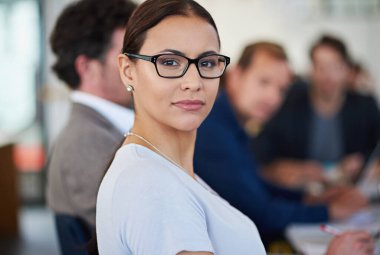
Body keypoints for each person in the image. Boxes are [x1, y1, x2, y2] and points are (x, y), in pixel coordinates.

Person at [95, 0, 268, 254]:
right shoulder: (152, 185)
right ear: (128, 71)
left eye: (207, 63)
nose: (194, 82)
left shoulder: (163, 169)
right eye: (169, 62)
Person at [194, 42, 368, 244]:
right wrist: (328, 210)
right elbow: (260, 213)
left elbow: (255, 187)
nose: (273, 98)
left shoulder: (231, 124)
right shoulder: (213, 131)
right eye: (264, 82)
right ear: (235, 76)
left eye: (281, 89)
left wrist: (308, 199)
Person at [46, 0, 136, 253]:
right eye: (127, 56)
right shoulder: (86, 141)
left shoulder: (108, 129)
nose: (140, 65)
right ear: (87, 67)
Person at [253, 35, 380, 189]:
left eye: (335, 66)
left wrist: (363, 162)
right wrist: (291, 168)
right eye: (321, 67)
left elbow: (375, 147)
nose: (328, 76)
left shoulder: (364, 105)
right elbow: (261, 149)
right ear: (311, 70)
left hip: (351, 189)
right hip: (301, 191)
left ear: (347, 70)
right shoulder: (289, 102)